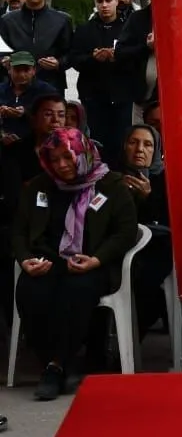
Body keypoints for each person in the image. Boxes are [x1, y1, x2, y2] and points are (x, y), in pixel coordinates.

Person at [13, 126, 136, 398]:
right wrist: (25, 260)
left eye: (68, 157)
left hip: (92, 262)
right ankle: (58, 363)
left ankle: (54, 367)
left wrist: (97, 259)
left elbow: (126, 231)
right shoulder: (39, 186)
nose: (62, 165)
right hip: (47, 260)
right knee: (30, 292)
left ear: (83, 154)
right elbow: (19, 231)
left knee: (76, 291)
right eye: (54, 160)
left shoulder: (112, 185)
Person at [118, 123, 172, 344]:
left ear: (156, 150)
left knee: (145, 285)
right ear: (125, 147)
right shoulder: (111, 178)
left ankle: (129, 348)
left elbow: (168, 223)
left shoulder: (165, 181)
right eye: (134, 142)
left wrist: (148, 199)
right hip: (118, 248)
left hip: (156, 250)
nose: (140, 149)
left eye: (148, 144)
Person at [67, 0, 132, 153]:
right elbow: (74, 58)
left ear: (117, 0)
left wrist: (116, 56)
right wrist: (93, 58)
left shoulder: (128, 28)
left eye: (108, 0)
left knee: (120, 142)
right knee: (95, 142)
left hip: (122, 96)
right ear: (95, 3)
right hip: (92, 96)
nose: (104, 5)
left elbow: (136, 58)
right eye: (100, 1)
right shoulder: (84, 29)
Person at [2, 0, 71, 91]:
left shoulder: (62, 20)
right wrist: (5, 60)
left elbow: (71, 52)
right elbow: (1, 50)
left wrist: (59, 63)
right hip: (15, 84)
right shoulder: (7, 20)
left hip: (51, 84)